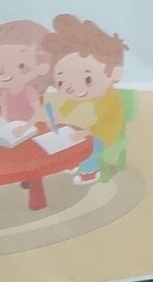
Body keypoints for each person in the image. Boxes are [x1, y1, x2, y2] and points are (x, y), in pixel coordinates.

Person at [42, 14, 134, 184]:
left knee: (89, 142)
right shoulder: (93, 94)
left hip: (107, 133)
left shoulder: (110, 99)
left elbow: (109, 122)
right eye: (61, 82)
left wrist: (87, 132)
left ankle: (90, 169)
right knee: (69, 135)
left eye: (87, 79)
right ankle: (74, 160)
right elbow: (74, 101)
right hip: (93, 130)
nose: (71, 88)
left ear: (115, 73)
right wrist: (59, 114)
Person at [0, 19, 54, 129]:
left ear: (42, 65)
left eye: (21, 65)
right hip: (10, 128)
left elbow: (38, 113)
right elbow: (4, 113)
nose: (2, 72)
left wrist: (25, 127)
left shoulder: (29, 91)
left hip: (29, 128)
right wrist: (1, 126)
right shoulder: (5, 94)